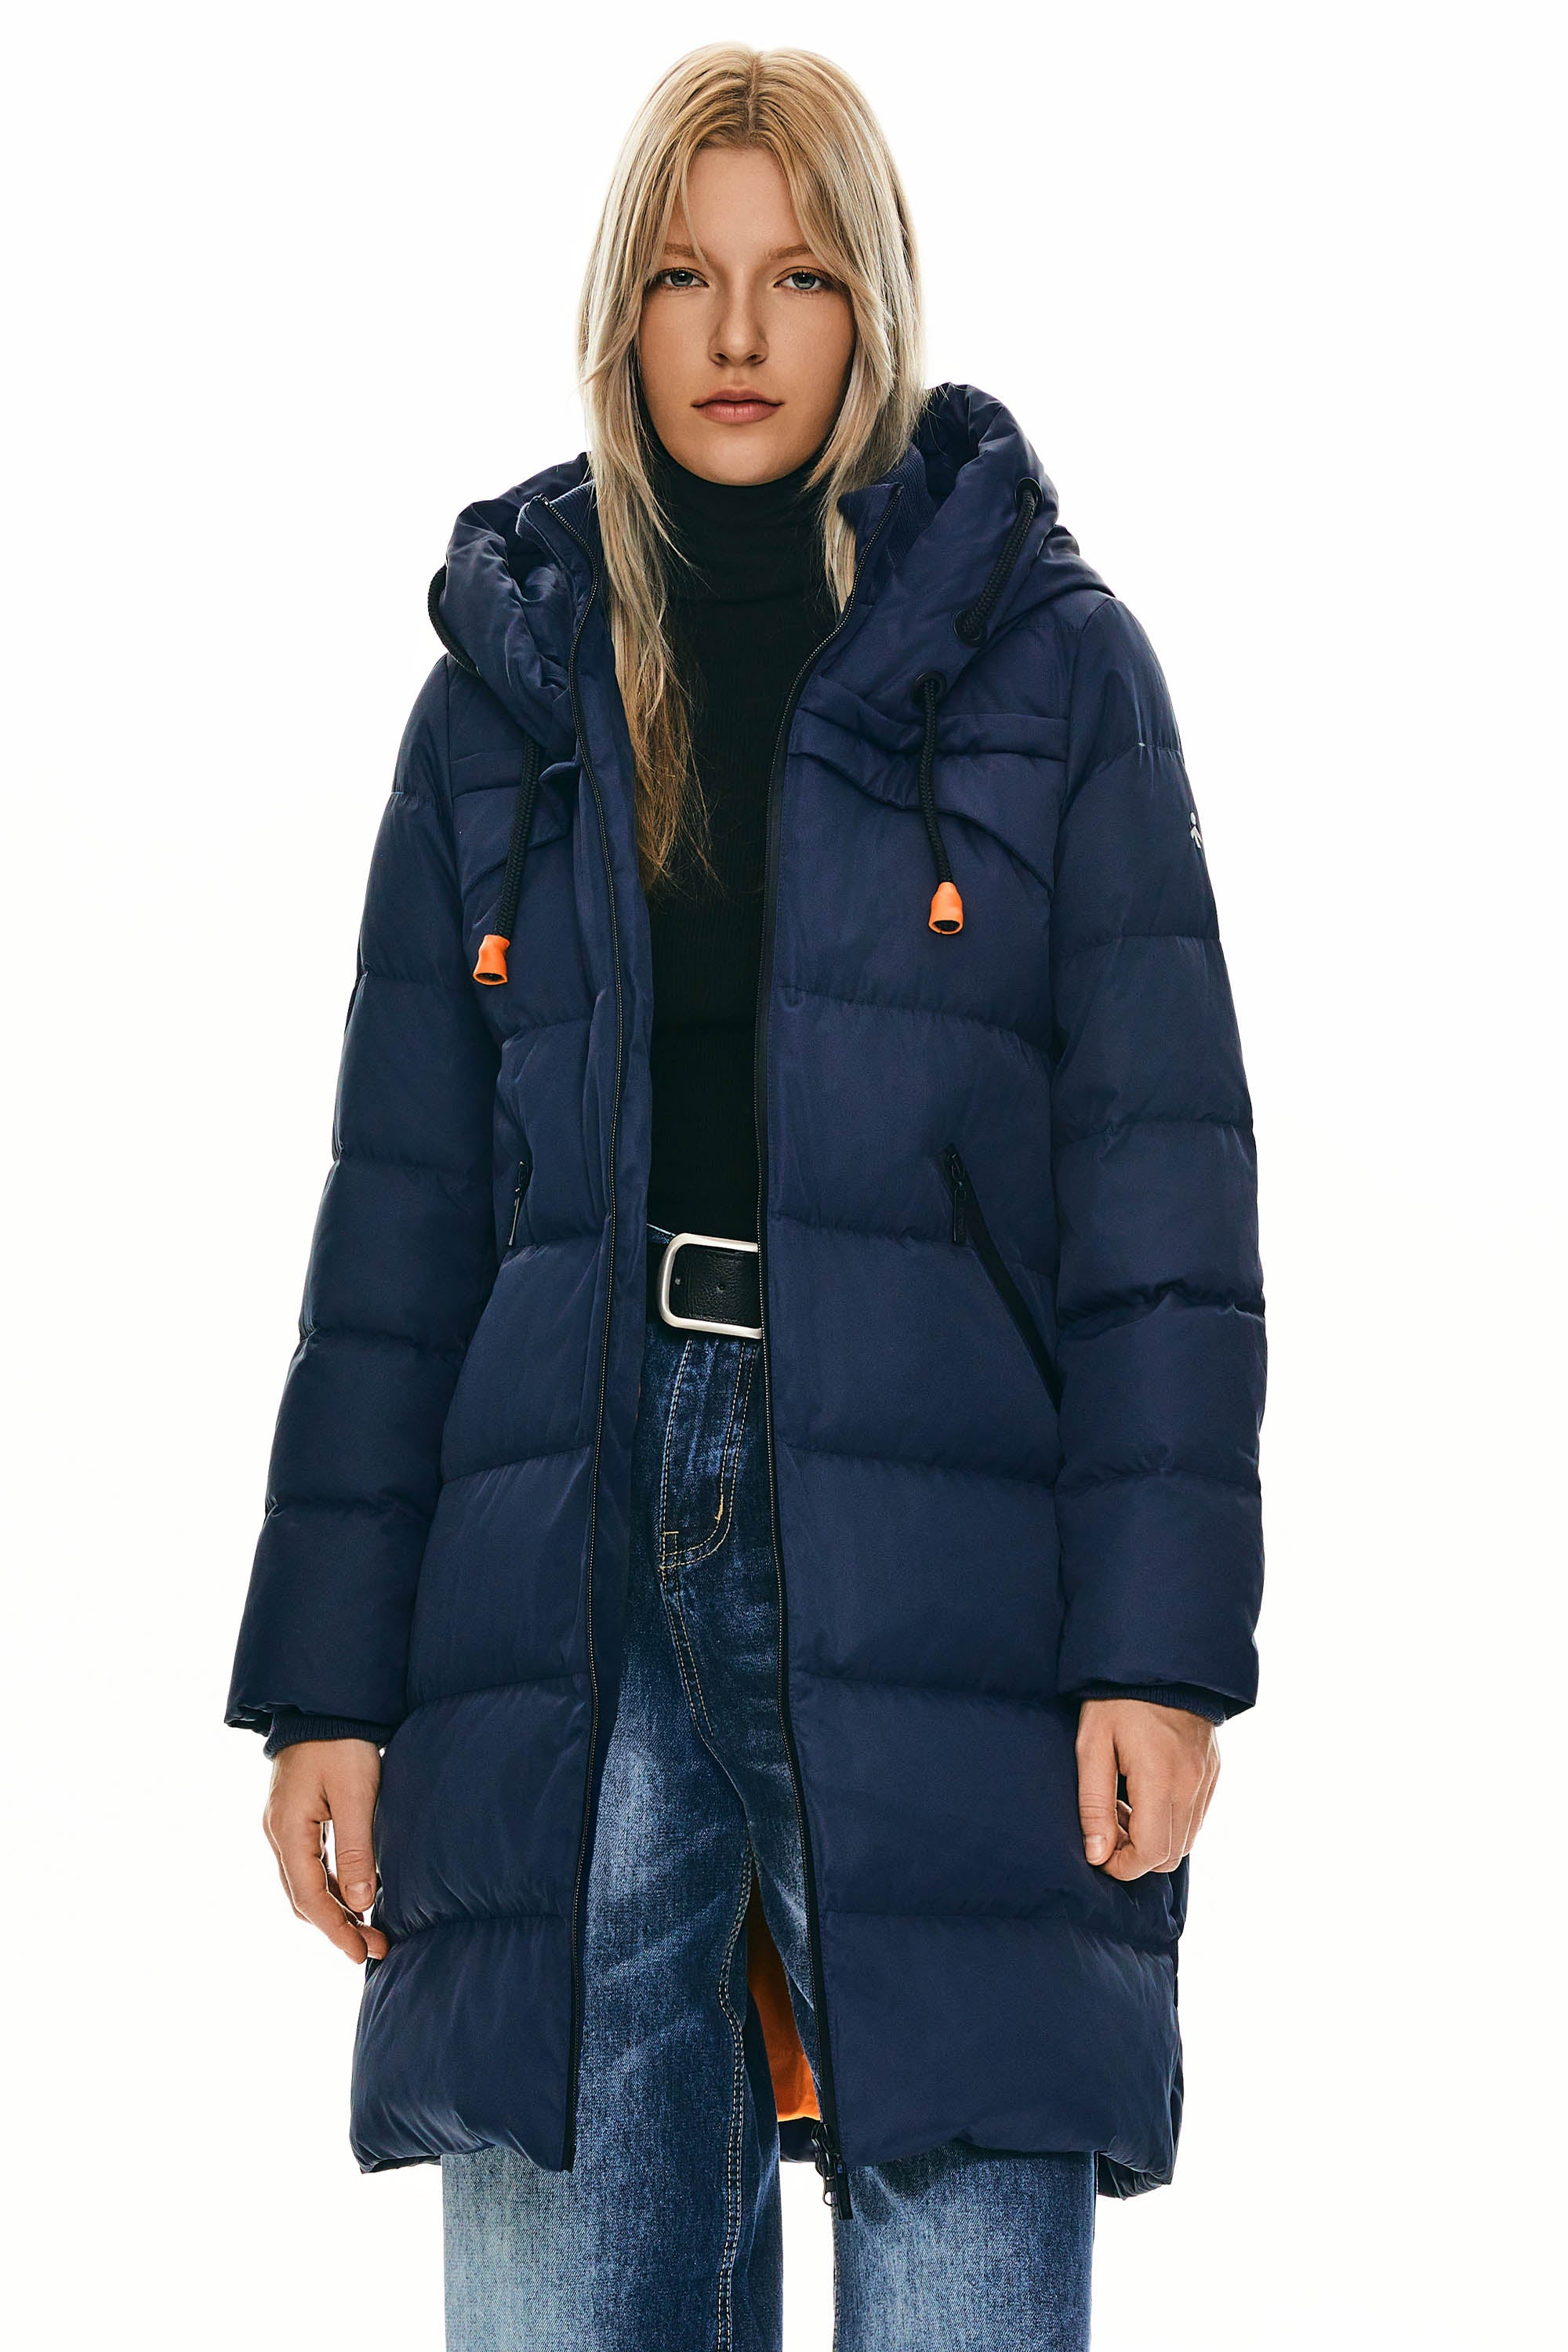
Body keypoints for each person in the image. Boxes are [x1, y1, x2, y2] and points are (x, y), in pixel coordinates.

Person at [227, 40, 1265, 2352]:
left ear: (871, 303)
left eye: (796, 277)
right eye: (683, 276)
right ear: (620, 306)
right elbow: (398, 1228)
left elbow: (1164, 1201)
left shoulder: (1050, 673)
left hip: (945, 1551)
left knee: (969, 2260)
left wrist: (1161, 1651)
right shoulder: (503, 693)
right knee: (561, 2264)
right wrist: (327, 1691)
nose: (734, 332)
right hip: (560, 1553)